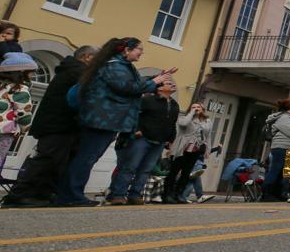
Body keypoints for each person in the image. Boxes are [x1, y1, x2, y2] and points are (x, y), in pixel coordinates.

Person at [55, 39, 175, 207]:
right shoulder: (114, 65)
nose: (141, 52)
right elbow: (126, 87)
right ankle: (71, 195)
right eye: (139, 49)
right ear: (126, 50)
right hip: (102, 119)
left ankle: (71, 194)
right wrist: (155, 81)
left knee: (88, 157)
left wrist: (156, 79)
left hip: (108, 120)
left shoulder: (122, 66)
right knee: (87, 158)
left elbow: (134, 85)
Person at [0, 46, 92, 208]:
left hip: (58, 123)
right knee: (47, 160)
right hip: (59, 123)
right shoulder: (77, 72)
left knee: (54, 161)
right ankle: (21, 194)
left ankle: (41, 193)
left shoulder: (70, 70)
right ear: (88, 57)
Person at [107, 77, 180, 205]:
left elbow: (172, 123)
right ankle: (118, 194)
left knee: (146, 169)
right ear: (160, 88)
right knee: (130, 167)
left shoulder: (174, 104)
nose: (173, 84)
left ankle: (135, 194)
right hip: (143, 139)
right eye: (169, 83)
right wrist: (137, 129)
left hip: (160, 141)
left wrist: (170, 139)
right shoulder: (147, 100)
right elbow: (133, 114)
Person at [0, 54, 40, 205]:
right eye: (30, 72)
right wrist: (25, 128)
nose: (32, 75)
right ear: (21, 72)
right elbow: (23, 113)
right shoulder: (19, 89)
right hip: (2, 132)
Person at [166, 100, 212, 204]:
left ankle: (179, 194)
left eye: (198, 107)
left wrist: (208, 149)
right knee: (174, 171)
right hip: (182, 148)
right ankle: (168, 194)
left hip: (196, 149)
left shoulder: (207, 121)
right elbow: (183, 124)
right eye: (193, 107)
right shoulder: (185, 117)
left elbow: (208, 136)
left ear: (203, 110)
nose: (196, 109)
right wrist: (191, 113)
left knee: (186, 173)